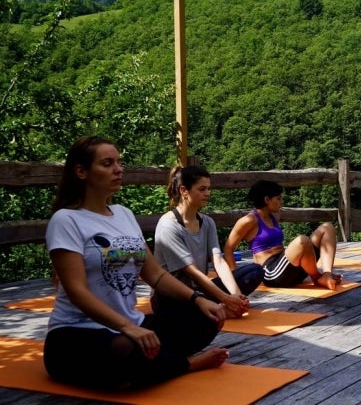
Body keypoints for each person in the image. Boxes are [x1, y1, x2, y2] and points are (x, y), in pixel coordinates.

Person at [44, 136, 229, 391]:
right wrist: (127, 327)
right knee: (128, 350)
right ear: (81, 171)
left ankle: (156, 364)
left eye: (118, 162)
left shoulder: (124, 214)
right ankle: (186, 364)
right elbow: (77, 292)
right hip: (76, 334)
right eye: (107, 163)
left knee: (206, 318)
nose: (118, 169)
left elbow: (156, 275)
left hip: (132, 323)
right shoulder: (66, 220)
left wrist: (198, 299)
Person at [151, 165, 264, 319]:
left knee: (254, 271)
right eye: (202, 189)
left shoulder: (208, 222)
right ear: (184, 191)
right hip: (173, 296)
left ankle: (218, 308)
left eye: (209, 189)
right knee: (190, 308)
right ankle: (216, 308)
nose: (207, 193)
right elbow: (192, 271)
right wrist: (225, 298)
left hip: (200, 289)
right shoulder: (168, 225)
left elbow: (218, 261)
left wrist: (236, 295)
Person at [223, 180, 342, 290]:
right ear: (267, 200)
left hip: (288, 270)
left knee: (327, 227)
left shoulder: (274, 215)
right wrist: (236, 277)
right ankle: (317, 278)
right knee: (302, 241)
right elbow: (228, 248)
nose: (282, 202)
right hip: (271, 273)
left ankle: (327, 274)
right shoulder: (249, 220)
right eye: (278, 198)